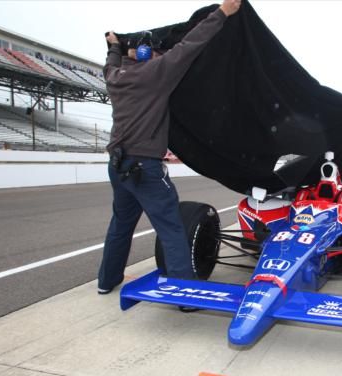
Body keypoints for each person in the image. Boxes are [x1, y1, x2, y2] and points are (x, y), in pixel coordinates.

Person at [97, 0, 242, 295]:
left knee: (120, 226)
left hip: (117, 165)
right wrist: (223, 13)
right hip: (145, 168)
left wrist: (113, 45)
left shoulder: (114, 77)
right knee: (172, 229)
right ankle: (185, 294)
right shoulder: (155, 75)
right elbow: (191, 44)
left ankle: (106, 282)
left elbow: (111, 61)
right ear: (146, 56)